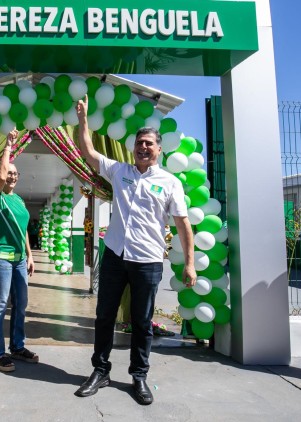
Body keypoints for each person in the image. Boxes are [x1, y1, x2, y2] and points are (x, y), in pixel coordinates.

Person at [73, 96, 196, 405]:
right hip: (115, 255)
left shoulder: (170, 183)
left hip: (148, 261)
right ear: (134, 147)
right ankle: (100, 371)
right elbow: (87, 151)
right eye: (140, 143)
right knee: (104, 317)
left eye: (149, 144)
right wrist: (84, 119)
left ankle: (138, 376)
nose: (143, 148)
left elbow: (183, 225)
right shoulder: (119, 171)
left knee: (141, 322)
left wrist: (190, 264)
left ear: (159, 149)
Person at [0, 129, 37, 373]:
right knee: (0, 303)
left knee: (21, 304)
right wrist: (8, 146)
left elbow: (23, 228)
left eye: (16, 173)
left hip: (18, 260)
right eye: (9, 173)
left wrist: (30, 254)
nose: (12, 176)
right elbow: (2, 172)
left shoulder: (19, 201)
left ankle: (17, 346)